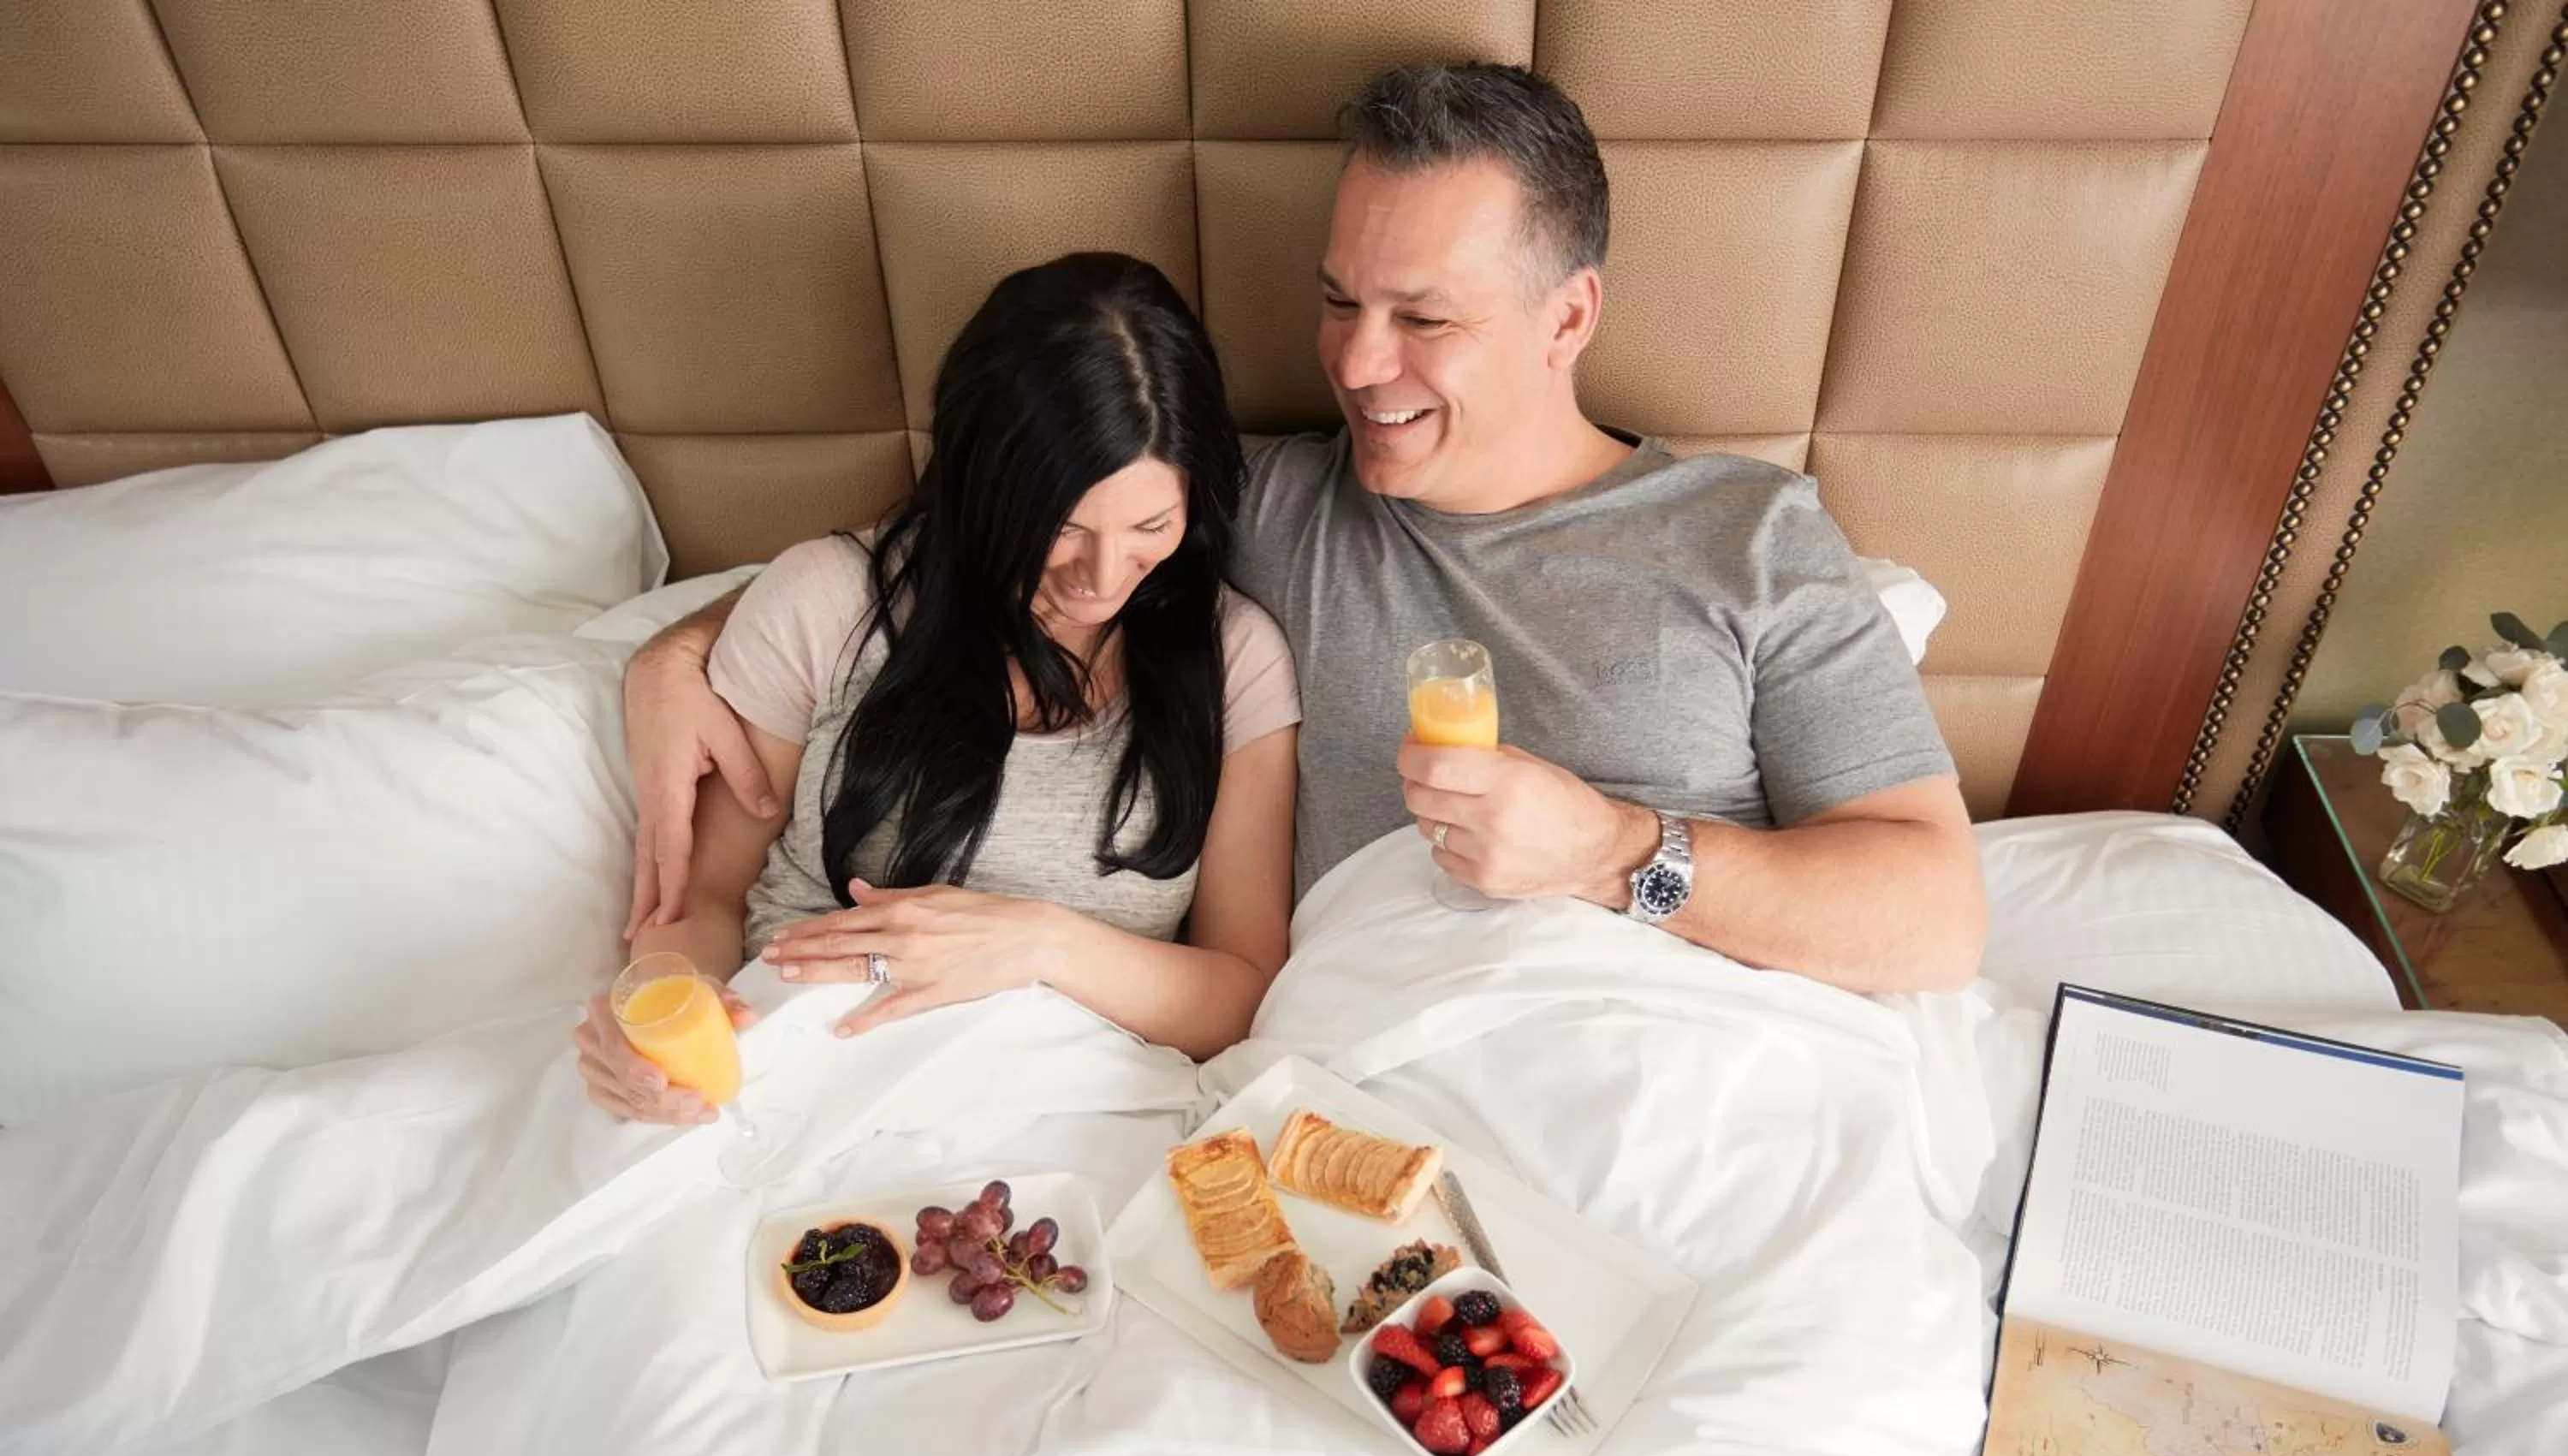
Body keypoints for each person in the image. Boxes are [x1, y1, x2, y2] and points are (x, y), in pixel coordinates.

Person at [624, 62, 1983, 998]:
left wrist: (1614, 854)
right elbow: (995, 529)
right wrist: (683, 652)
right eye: (1341, 302)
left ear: (1568, 317)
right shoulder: (1257, 506)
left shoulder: (1748, 536)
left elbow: (1935, 921)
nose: (1359, 364)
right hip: (1387, 1099)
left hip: (1708, 1057)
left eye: (1423, 318)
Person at [575, 254, 1299, 1122]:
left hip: (1065, 1113)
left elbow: (1242, 991)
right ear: (981, 487)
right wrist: (662, 1028)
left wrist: (1037, 942)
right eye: (1062, 529)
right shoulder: (827, 603)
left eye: (1151, 525)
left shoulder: (1235, 659)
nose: (1104, 579)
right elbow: (701, 900)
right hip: (804, 1073)